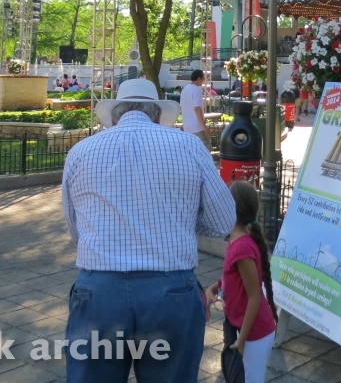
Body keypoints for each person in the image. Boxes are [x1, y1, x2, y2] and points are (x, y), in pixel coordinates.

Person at [62, 78, 235, 383]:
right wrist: (181, 220)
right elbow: (223, 222)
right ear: (158, 115)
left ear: (114, 117)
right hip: (170, 293)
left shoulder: (81, 151)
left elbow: (76, 230)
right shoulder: (189, 146)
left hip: (99, 292)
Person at [205, 182, 278, 383]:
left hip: (254, 334)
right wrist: (216, 287)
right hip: (245, 331)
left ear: (229, 210)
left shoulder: (241, 248)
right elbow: (234, 277)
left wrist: (242, 340)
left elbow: (254, 297)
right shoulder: (236, 240)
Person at [179, 69, 210, 150]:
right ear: (199, 78)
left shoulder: (184, 89)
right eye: (203, 78)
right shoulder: (196, 90)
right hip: (197, 127)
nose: (203, 81)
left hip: (187, 126)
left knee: (191, 149)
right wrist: (204, 126)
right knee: (206, 148)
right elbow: (197, 108)